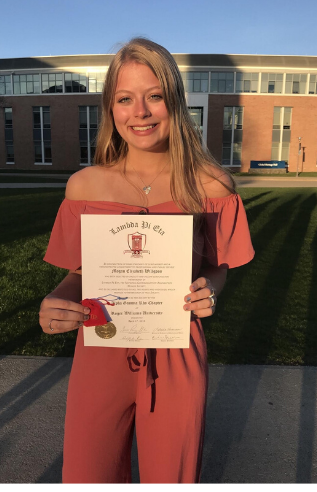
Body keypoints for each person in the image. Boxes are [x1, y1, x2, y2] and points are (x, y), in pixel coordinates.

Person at [39, 38, 254, 484]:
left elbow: (218, 264)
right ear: (110, 109)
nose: (140, 111)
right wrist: (57, 302)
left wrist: (210, 288)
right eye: (125, 99)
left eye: (154, 96)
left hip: (176, 350)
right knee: (87, 473)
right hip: (100, 345)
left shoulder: (211, 185)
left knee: (170, 475)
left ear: (174, 101)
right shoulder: (84, 187)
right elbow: (80, 273)